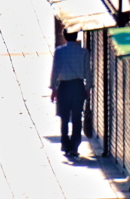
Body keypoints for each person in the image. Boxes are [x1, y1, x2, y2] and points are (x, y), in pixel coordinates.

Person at [50, 29, 90, 160]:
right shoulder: (83, 52)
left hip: (64, 87)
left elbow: (55, 70)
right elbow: (88, 72)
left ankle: (65, 144)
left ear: (65, 36)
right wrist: (87, 89)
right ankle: (74, 146)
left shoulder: (59, 51)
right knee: (77, 117)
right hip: (78, 86)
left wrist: (53, 89)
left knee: (65, 117)